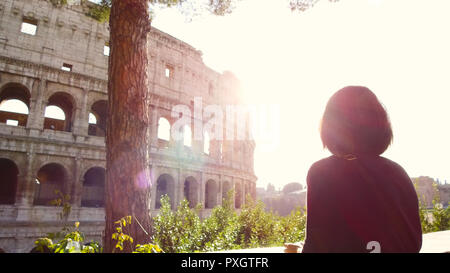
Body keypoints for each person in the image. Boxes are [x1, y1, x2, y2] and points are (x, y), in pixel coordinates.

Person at [302, 86, 422, 253]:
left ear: (331, 126)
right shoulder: (398, 172)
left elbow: (316, 246)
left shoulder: (322, 172)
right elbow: (412, 242)